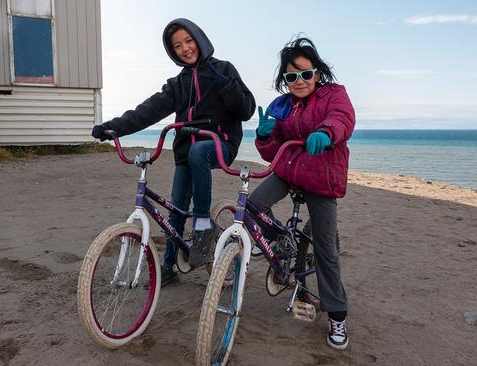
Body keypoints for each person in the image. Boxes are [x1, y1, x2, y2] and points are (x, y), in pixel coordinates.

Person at [91, 18, 255, 286]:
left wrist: (226, 85)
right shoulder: (178, 84)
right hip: (185, 152)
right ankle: (168, 267)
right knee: (176, 209)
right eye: (177, 46)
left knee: (200, 152)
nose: (185, 49)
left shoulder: (224, 69)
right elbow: (148, 110)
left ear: (199, 39)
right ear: (173, 51)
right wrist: (112, 128)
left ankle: (203, 223)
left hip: (220, 143)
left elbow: (246, 110)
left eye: (189, 41)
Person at [249, 37, 354, 349]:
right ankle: (283, 243)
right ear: (284, 80)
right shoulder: (282, 106)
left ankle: (336, 315)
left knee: (325, 251)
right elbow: (271, 152)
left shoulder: (334, 95)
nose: (299, 81)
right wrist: (264, 136)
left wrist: (326, 133)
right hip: (288, 170)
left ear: (318, 74)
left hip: (321, 176)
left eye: (305, 74)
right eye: (291, 77)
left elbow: (342, 119)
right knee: (254, 205)